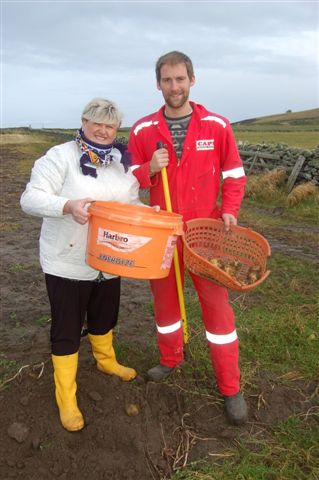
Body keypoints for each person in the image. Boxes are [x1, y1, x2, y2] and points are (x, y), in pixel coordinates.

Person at [128, 51, 248, 425]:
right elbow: (130, 177)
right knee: (165, 303)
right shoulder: (143, 130)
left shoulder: (216, 125)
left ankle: (231, 387)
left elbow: (234, 174)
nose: (174, 87)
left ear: (192, 80)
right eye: (167, 80)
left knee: (217, 307)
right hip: (161, 233)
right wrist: (149, 168)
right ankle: (170, 358)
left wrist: (229, 209)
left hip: (204, 234)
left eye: (180, 79)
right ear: (158, 84)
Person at [20, 98, 141, 432]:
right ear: (84, 122)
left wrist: (148, 218)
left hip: (109, 259)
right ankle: (66, 397)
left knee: (104, 316)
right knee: (67, 328)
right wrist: (67, 205)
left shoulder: (119, 164)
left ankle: (106, 361)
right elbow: (29, 199)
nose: (103, 130)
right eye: (96, 123)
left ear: (117, 130)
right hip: (67, 261)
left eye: (110, 126)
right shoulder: (59, 157)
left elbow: (131, 203)